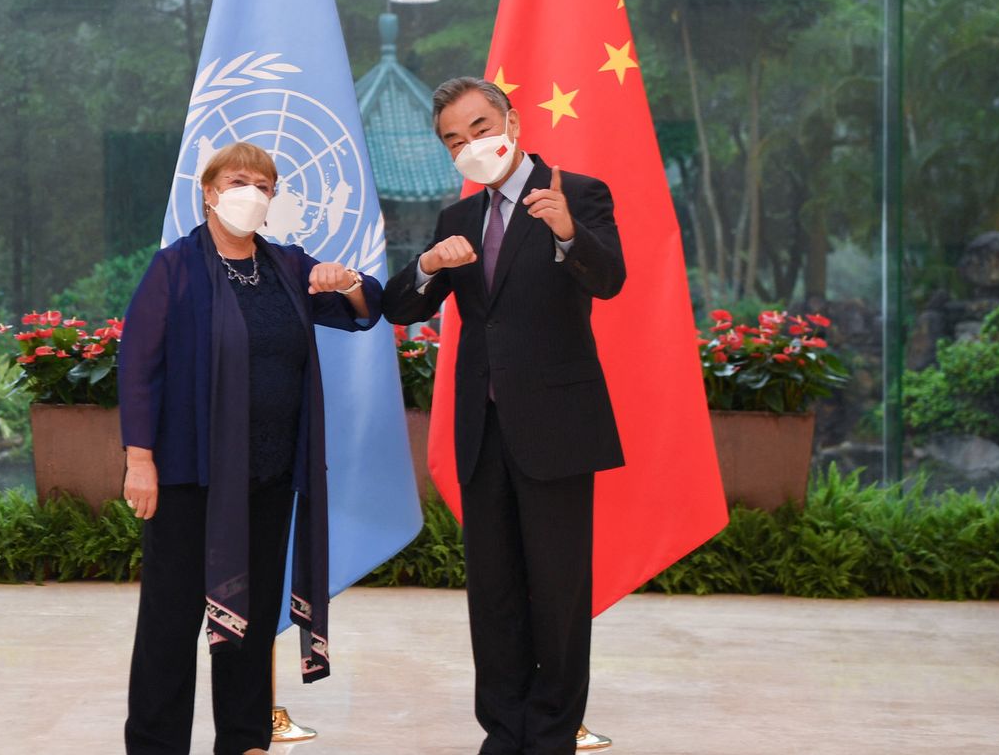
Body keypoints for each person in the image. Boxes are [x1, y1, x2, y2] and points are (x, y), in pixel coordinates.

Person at [382, 76, 626, 755]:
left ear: (512, 120)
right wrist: (428, 264)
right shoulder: (456, 220)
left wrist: (568, 232)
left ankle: (551, 734)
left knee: (558, 593)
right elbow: (401, 307)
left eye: (481, 127)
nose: (471, 146)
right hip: (481, 433)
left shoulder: (576, 193)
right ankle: (503, 730)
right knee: (493, 596)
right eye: (454, 140)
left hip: (557, 430)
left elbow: (610, 279)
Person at [117, 141, 381, 755]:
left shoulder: (288, 266)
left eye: (265, 185)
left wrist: (349, 283)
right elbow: (138, 366)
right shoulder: (175, 268)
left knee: (253, 618)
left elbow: (363, 309)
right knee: (172, 620)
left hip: (268, 473)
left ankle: (244, 740)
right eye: (239, 181)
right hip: (188, 474)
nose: (252, 194)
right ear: (209, 192)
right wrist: (139, 459)